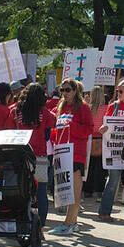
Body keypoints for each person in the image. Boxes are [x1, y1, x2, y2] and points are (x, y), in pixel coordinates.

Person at [7, 83, 55, 229]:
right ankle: (41, 225)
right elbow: (47, 135)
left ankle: (21, 220)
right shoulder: (47, 114)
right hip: (39, 156)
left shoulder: (14, 111)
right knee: (41, 191)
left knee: (20, 190)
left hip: (19, 156)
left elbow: (10, 133)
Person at [48, 79, 93, 235]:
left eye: (68, 90)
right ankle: (70, 223)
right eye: (62, 90)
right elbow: (55, 129)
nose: (64, 93)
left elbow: (88, 129)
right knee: (65, 190)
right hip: (61, 152)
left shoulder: (83, 108)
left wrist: (72, 126)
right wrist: (55, 137)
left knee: (74, 190)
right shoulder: (60, 107)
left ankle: (69, 223)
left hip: (75, 153)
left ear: (75, 91)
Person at [98, 79, 124, 222]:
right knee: (113, 182)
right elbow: (106, 124)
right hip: (114, 151)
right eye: (117, 91)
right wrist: (103, 129)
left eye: (121, 91)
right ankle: (104, 212)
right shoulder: (113, 106)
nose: (118, 94)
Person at [85, 86, 108, 198]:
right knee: (100, 167)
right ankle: (98, 189)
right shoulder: (107, 109)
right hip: (102, 140)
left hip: (89, 139)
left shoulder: (87, 108)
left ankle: (87, 189)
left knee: (89, 166)